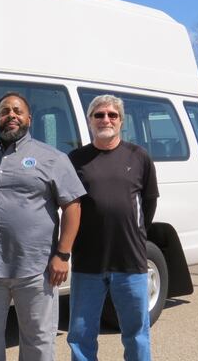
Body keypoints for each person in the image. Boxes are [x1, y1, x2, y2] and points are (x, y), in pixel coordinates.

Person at [0, 92, 85, 361]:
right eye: (4, 111)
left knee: (38, 340)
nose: (11, 116)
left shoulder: (52, 158)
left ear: (29, 118)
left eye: (17, 111)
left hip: (36, 269)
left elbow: (73, 206)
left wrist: (63, 255)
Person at [66, 94, 159, 361]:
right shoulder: (76, 159)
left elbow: (149, 205)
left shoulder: (139, 157)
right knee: (81, 335)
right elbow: (70, 205)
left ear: (121, 121)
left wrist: (135, 235)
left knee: (136, 333)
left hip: (130, 262)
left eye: (112, 115)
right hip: (88, 263)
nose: (106, 119)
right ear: (90, 120)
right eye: (99, 114)